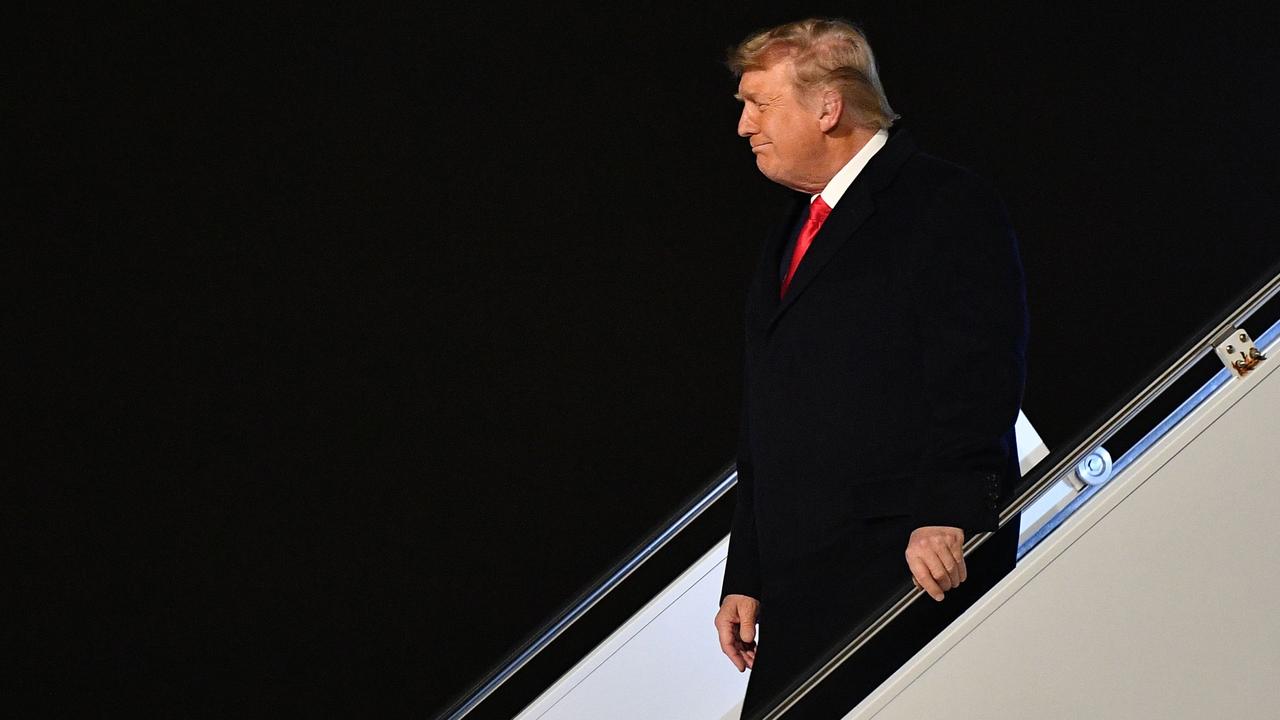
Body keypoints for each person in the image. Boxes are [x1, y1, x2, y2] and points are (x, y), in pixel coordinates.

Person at [712, 18, 1028, 719]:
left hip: (907, 562)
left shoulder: (940, 201)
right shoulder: (786, 237)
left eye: (759, 105)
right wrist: (748, 569)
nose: (743, 125)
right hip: (802, 580)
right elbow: (765, 412)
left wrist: (948, 512)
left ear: (828, 107)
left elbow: (978, 370)